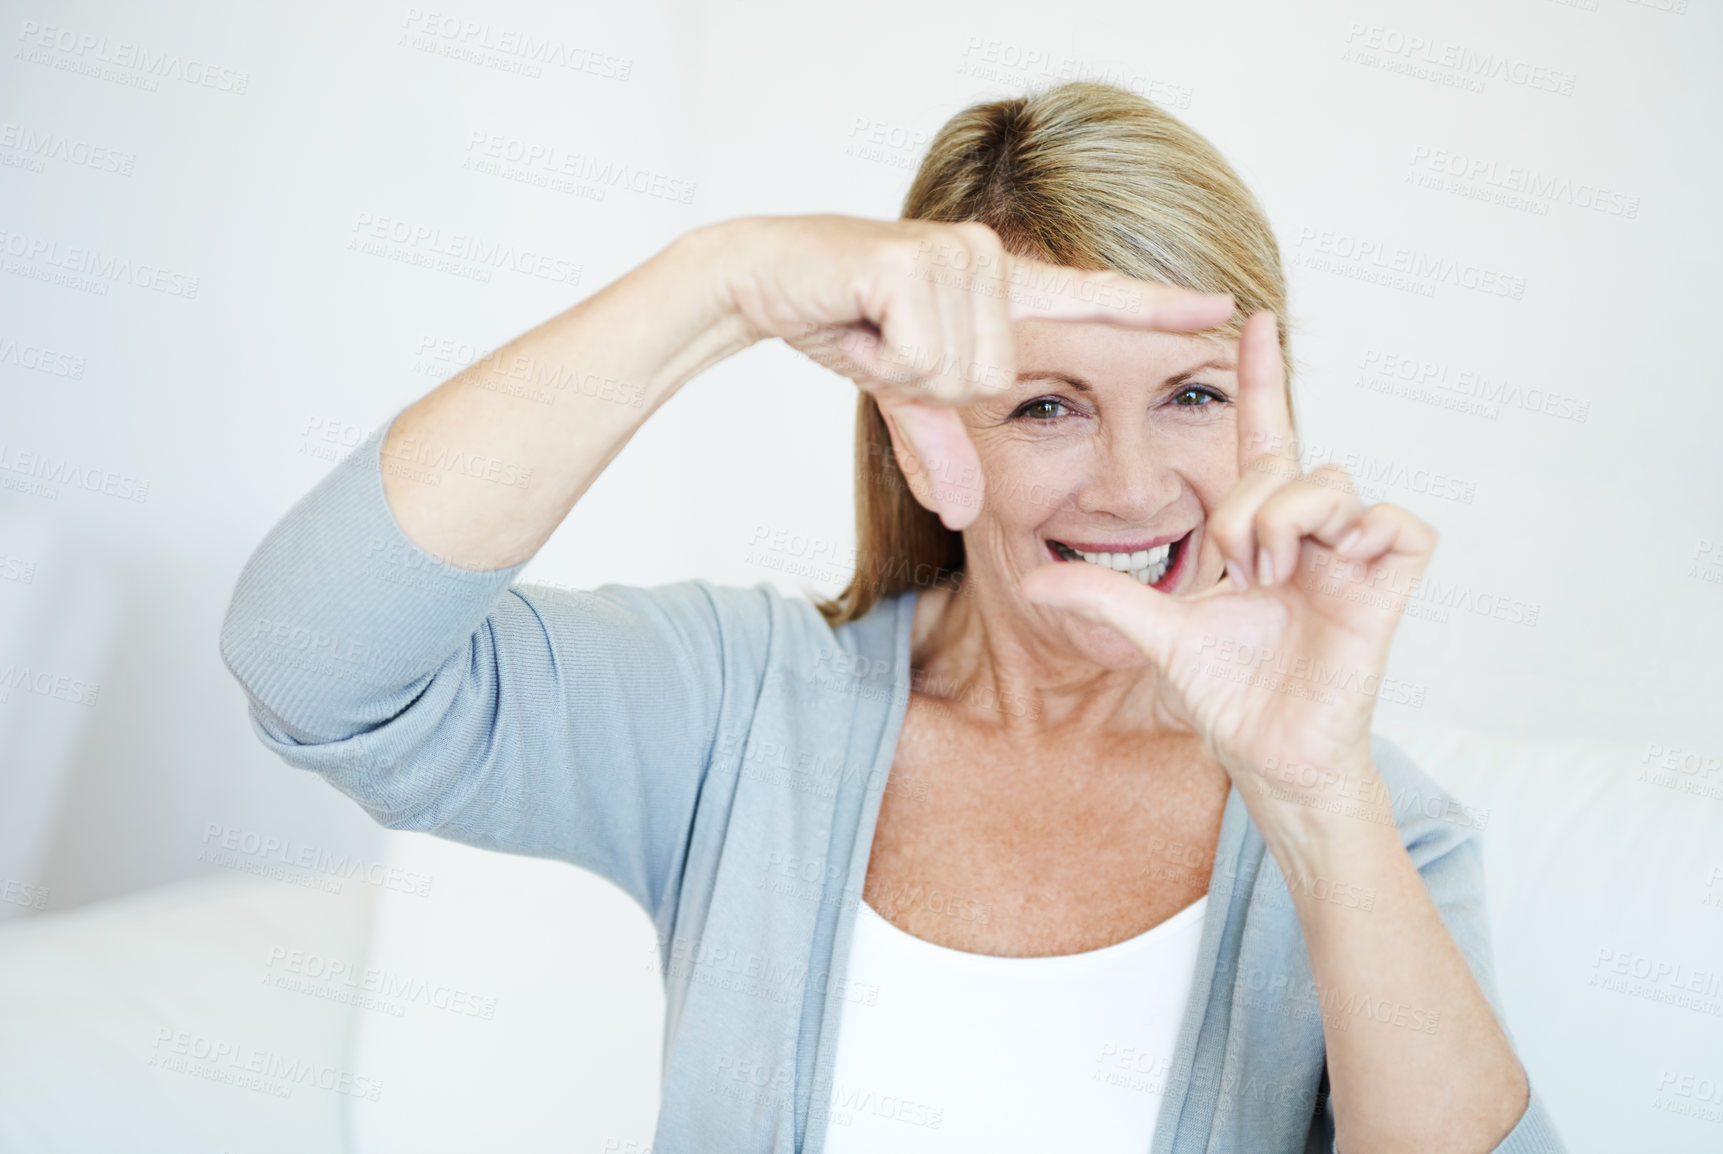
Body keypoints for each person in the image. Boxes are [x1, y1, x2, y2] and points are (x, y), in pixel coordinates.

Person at [219, 81, 1566, 1152]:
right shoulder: (743, 709)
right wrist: (722, 282)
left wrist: (1316, 794)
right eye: (1047, 403)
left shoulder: (1377, 822)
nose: (1136, 483)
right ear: (925, 439)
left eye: (1191, 396)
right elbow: (316, 666)